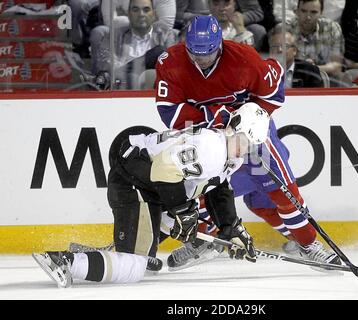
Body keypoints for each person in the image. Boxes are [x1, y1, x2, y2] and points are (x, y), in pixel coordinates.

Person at [155, 15, 341, 271]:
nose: (201, 60)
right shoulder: (171, 61)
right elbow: (170, 114)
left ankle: (308, 244)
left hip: (246, 137)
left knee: (277, 191)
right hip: (205, 139)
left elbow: (274, 93)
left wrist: (251, 120)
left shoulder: (243, 58)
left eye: (207, 53)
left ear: (219, 45)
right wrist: (219, 117)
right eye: (195, 54)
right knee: (196, 192)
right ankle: (207, 241)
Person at [32, 103, 269, 288]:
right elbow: (164, 169)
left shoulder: (230, 156)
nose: (244, 149)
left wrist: (231, 228)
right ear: (231, 127)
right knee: (135, 266)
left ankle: (98, 254)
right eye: (243, 141)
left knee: (171, 226)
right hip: (133, 179)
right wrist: (182, 210)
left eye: (250, 145)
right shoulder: (211, 147)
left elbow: (218, 189)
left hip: (152, 186)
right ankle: (65, 261)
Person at [90, 0, 177, 90]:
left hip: (154, 90)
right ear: (129, 14)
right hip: (119, 88)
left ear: (154, 14)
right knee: (131, 77)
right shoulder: (114, 36)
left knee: (159, 52)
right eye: (135, 10)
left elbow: (173, 68)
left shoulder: (164, 36)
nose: (141, 14)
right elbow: (105, 65)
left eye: (146, 10)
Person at [284, 0, 345, 81]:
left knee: (340, 78)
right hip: (292, 79)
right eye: (303, 11)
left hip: (324, 79)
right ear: (297, 11)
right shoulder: (285, 30)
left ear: (321, 13)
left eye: (313, 12)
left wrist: (311, 68)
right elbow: (278, 66)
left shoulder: (332, 29)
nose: (308, 17)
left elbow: (336, 67)